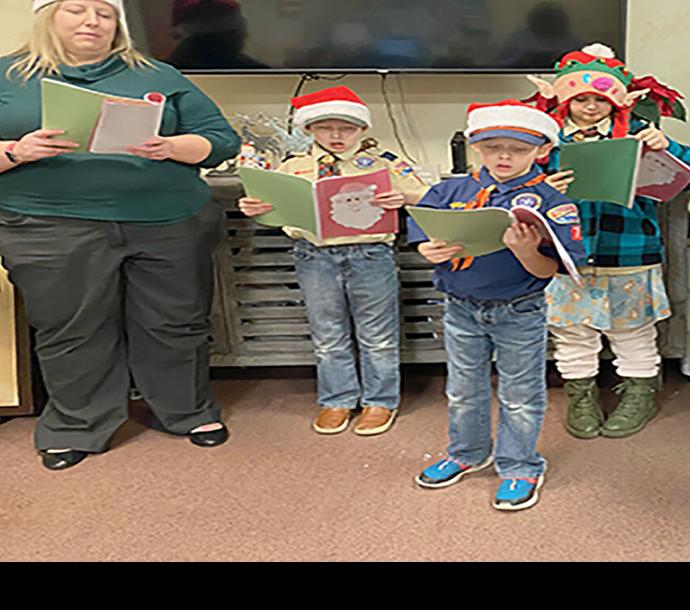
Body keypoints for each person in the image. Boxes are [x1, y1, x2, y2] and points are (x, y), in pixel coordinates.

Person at [0, 0, 241, 470]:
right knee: (71, 327)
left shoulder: (157, 75)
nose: (92, 21)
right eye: (76, 9)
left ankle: (186, 411)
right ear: (47, 16)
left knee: (176, 322)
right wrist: (17, 150)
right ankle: (76, 425)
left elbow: (220, 139)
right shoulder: (7, 77)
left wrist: (172, 146)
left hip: (168, 221)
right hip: (48, 224)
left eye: (104, 13)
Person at [406, 101, 584, 511]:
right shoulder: (451, 190)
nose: (504, 156)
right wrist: (426, 249)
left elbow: (553, 269)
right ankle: (468, 452)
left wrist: (526, 253)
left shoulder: (551, 202)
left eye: (518, 149)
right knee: (463, 389)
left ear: (540, 150)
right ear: (475, 147)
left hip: (518, 310)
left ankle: (521, 465)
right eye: (492, 147)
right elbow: (422, 227)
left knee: (520, 393)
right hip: (460, 308)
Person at [529, 43, 690, 439]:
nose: (590, 107)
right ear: (565, 100)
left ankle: (640, 392)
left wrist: (667, 147)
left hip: (628, 251)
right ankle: (581, 394)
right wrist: (542, 187)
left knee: (633, 329)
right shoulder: (546, 144)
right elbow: (517, 190)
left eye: (600, 99)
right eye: (581, 99)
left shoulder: (638, 135)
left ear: (617, 101)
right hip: (568, 253)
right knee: (572, 331)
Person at [237, 86, 428, 436]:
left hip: (370, 254)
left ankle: (379, 401)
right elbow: (273, 211)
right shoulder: (293, 166)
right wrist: (256, 208)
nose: (337, 136)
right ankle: (337, 398)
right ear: (309, 129)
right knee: (327, 333)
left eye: (347, 128)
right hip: (315, 256)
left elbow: (429, 194)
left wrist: (404, 196)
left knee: (378, 335)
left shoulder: (384, 162)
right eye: (326, 127)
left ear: (362, 130)